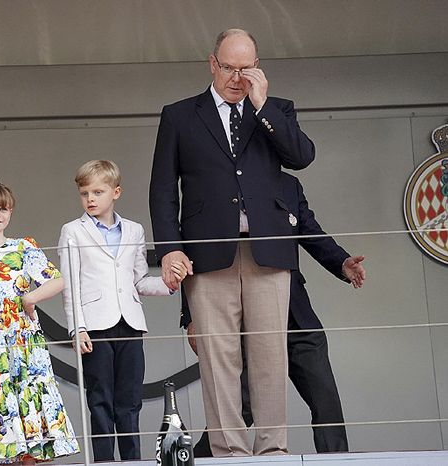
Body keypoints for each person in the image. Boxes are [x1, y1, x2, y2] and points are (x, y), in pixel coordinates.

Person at [149, 28, 316, 456]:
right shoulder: (180, 115)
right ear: (212, 63)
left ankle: (273, 451)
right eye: (229, 67)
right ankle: (229, 453)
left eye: (247, 69)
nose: (237, 77)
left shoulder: (276, 110)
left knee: (269, 355)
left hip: (268, 252)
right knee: (218, 357)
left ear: (257, 68)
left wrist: (262, 107)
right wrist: (170, 248)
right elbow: (163, 189)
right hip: (208, 254)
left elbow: (301, 157)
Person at [180, 172, 366, 456]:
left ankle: (336, 462)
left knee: (325, 400)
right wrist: (190, 317)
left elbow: (310, 231)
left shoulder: (288, 184)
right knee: (237, 409)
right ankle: (199, 461)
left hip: (296, 316)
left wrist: (341, 261)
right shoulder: (221, 182)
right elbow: (197, 249)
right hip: (248, 324)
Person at [58, 160, 185, 461]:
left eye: (98, 192)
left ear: (116, 192)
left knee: (129, 400)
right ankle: (103, 460)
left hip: (129, 323)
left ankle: (131, 460)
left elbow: (138, 280)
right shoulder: (72, 231)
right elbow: (70, 285)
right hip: (95, 327)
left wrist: (168, 284)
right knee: (100, 399)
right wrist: (78, 328)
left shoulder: (134, 230)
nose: (90, 199)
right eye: (84, 193)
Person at [0, 180, 80, 465]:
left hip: (22, 342)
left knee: (25, 404)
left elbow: (57, 279)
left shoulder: (23, 247)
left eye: (3, 208)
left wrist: (29, 299)